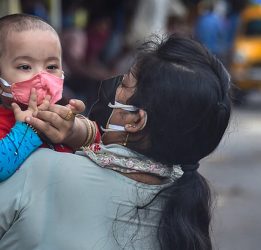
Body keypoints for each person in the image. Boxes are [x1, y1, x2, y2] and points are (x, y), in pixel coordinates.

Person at [0, 34, 232, 250]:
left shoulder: (41, 169)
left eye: (124, 84)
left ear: (136, 121)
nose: (114, 86)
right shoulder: (184, 208)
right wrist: (84, 135)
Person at [0, 14, 96, 181]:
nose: (42, 78)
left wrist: (75, 129)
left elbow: (99, 145)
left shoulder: (61, 114)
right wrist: (27, 131)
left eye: (51, 66)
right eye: (25, 66)